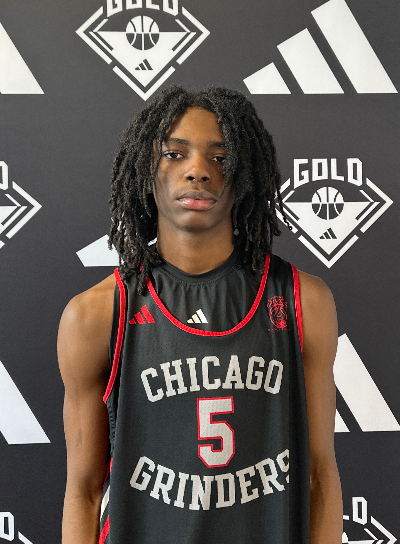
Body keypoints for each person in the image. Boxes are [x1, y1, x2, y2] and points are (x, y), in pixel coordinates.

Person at [57, 85, 342, 544]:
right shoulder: (95, 315)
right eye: (174, 154)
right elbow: (84, 491)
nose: (198, 170)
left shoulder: (300, 300)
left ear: (244, 173)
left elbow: (319, 477)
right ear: (145, 169)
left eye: (220, 157)